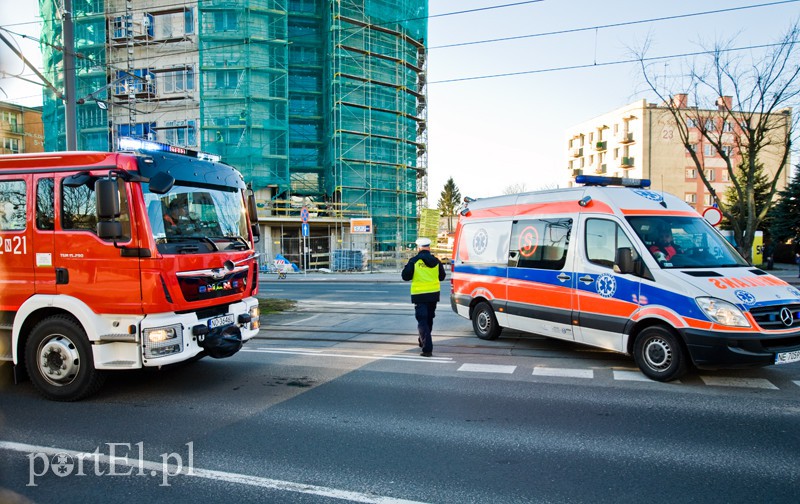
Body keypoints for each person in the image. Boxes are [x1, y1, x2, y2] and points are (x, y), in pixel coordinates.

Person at [401, 237, 446, 357]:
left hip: (420, 296)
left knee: (422, 321)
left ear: (418, 248)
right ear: (429, 247)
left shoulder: (414, 261)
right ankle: (423, 340)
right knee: (429, 319)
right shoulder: (436, 261)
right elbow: (442, 277)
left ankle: (427, 348)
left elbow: (405, 276)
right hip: (433, 295)